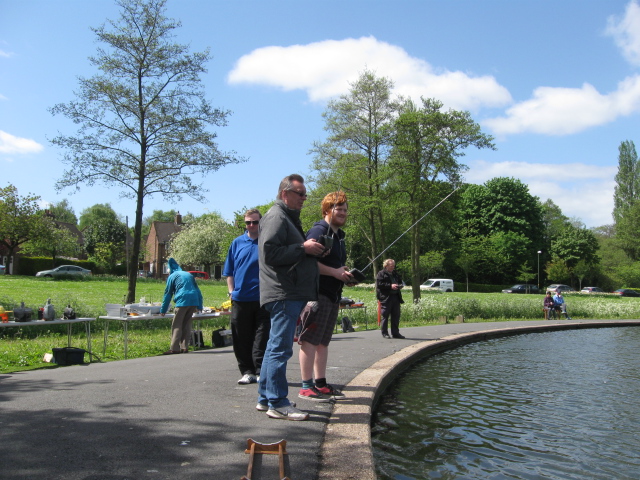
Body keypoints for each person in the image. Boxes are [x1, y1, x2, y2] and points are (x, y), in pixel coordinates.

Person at [256, 173, 325, 421]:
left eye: (305, 194)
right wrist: (302, 248)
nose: (304, 198)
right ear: (285, 193)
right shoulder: (276, 216)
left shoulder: (285, 217)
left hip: (285, 291)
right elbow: (270, 253)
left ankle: (266, 398)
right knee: (280, 349)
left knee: (274, 347)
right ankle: (278, 402)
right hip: (284, 292)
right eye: (300, 194)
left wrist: (307, 248)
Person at [297, 191, 355, 403]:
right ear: (327, 210)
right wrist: (334, 272)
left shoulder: (339, 236)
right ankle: (305, 387)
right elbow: (306, 261)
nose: (343, 213)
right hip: (316, 293)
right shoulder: (319, 229)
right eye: (338, 209)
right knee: (310, 340)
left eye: (345, 210)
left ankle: (320, 383)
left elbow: (331, 265)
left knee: (323, 341)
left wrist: (344, 275)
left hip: (332, 294)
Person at [223, 208, 271, 385]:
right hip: (240, 299)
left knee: (262, 336)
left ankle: (260, 371)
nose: (251, 225)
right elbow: (229, 272)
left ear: (261, 222)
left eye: (255, 222)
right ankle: (247, 371)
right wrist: (231, 292)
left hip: (262, 299)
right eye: (248, 222)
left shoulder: (267, 242)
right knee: (241, 336)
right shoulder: (237, 243)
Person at [160, 258, 203, 354]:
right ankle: (184, 347)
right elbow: (198, 291)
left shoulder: (172, 276)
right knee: (187, 324)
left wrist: (163, 309)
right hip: (194, 300)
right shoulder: (188, 274)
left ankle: (174, 348)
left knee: (177, 324)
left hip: (182, 300)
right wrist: (200, 306)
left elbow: (168, 294)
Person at [376, 259, 405, 339]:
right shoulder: (381, 274)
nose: (393, 267)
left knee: (396, 315)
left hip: (396, 297)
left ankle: (395, 333)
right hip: (386, 297)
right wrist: (390, 286)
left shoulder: (395, 273)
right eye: (391, 266)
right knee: (385, 315)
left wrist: (399, 285)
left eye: (393, 266)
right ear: (386, 266)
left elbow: (400, 281)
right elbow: (379, 284)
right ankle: (385, 333)